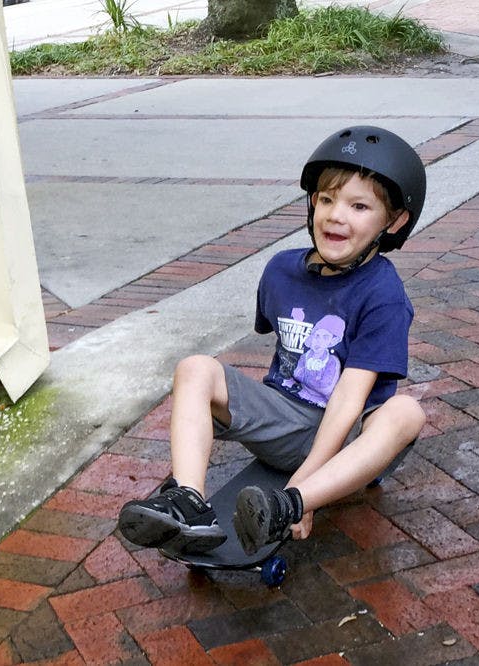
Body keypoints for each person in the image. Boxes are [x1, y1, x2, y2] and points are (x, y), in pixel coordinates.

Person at [118, 126, 428, 556]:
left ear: (394, 222)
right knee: (194, 368)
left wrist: (303, 483)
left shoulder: (384, 295)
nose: (336, 215)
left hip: (348, 440)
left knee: (406, 412)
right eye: (326, 199)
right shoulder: (281, 270)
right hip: (285, 421)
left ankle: (288, 505)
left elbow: (348, 400)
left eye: (359, 206)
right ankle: (188, 502)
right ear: (310, 203)